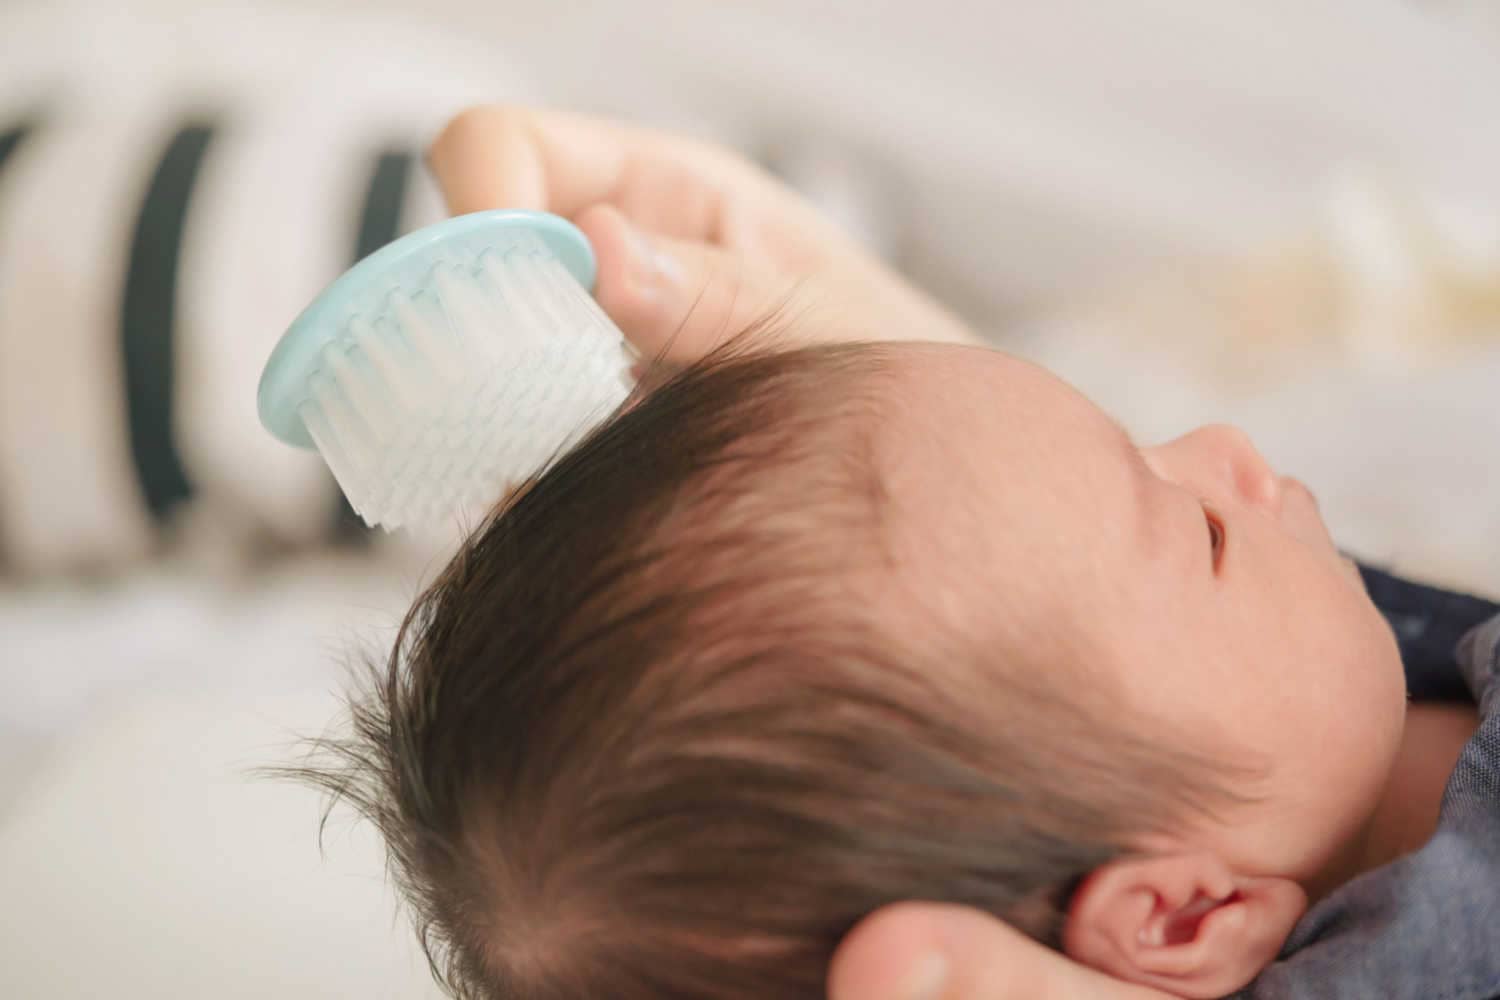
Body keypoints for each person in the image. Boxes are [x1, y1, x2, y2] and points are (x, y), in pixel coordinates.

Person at [304, 107, 1497, 1000]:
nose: (1229, 447)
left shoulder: (1275, 728)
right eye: (1204, 531)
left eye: (1141, 447)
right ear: (1183, 917)